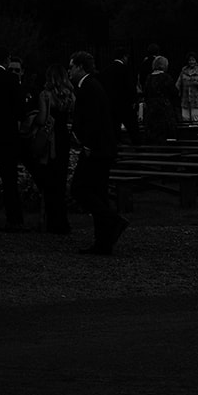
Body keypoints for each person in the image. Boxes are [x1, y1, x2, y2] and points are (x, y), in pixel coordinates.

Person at [69, 51, 127, 256]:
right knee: (98, 193)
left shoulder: (89, 87)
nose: (69, 71)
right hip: (102, 148)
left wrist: (87, 144)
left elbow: (93, 119)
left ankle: (111, 220)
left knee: (80, 188)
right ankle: (103, 241)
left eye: (72, 67)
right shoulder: (92, 86)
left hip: (96, 149)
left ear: (80, 67)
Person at [0, 47, 25, 231]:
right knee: (9, 180)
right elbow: (20, 109)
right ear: (7, 60)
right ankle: (14, 219)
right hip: (7, 136)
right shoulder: (12, 79)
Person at [35, 65, 75, 234]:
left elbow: (42, 118)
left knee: (50, 180)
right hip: (64, 136)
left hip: (51, 138)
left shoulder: (45, 95)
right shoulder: (70, 95)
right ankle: (63, 221)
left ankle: (52, 221)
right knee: (60, 179)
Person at [143, 56, 180, 141]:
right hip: (164, 110)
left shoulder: (148, 78)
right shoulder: (166, 77)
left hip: (151, 110)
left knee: (153, 136)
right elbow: (174, 92)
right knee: (166, 134)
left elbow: (145, 93)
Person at [176, 53, 198, 125]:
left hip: (196, 98)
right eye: (190, 60)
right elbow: (178, 83)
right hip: (185, 98)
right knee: (185, 118)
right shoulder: (184, 70)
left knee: (195, 118)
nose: (191, 62)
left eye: (193, 60)